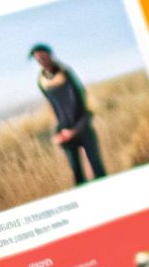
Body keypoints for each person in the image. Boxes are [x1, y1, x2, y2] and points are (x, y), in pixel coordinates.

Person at [31, 43, 107, 186]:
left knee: (97, 168)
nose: (41, 61)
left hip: (82, 127)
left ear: (50, 55)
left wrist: (76, 129)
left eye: (43, 57)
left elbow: (84, 100)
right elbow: (52, 108)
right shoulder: (41, 81)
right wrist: (57, 132)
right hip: (64, 131)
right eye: (38, 59)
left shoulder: (66, 72)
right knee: (77, 174)